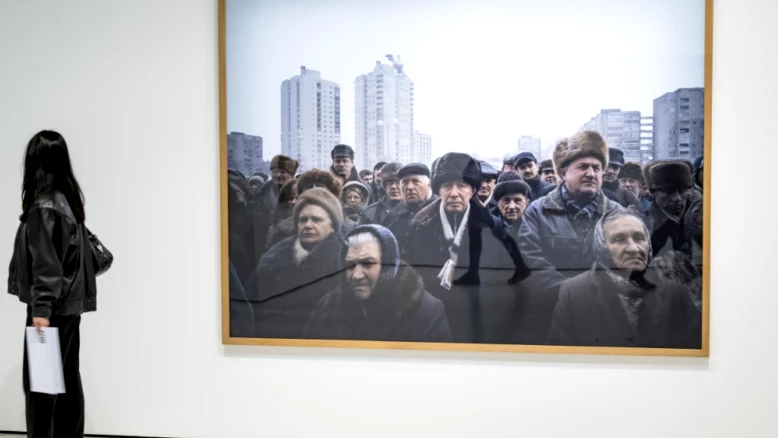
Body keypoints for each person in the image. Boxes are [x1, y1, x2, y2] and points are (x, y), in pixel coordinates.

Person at [8, 130, 110, 438]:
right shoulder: (67, 202)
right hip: (67, 309)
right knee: (66, 382)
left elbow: (46, 265)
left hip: (48, 311)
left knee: (41, 389)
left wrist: (40, 311)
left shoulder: (44, 208)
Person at [403, 153, 529, 343]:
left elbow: (512, 278)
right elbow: (411, 276)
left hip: (480, 321)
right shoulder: (420, 226)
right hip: (433, 321)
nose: (454, 193)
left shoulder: (492, 226)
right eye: (447, 186)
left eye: (462, 185)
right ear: (438, 191)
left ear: (473, 190)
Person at [518, 131, 622, 342]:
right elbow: (532, 262)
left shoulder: (618, 214)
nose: (591, 173)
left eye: (597, 168)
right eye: (583, 167)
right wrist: (573, 295)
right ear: (563, 173)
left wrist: (597, 297)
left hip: (604, 318)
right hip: (548, 315)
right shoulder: (537, 211)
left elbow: (626, 265)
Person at [547, 209, 701, 348]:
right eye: (619, 239)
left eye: (639, 237)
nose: (633, 248)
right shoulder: (575, 292)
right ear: (602, 247)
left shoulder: (674, 292)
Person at [304, 225, 452, 342]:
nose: (356, 275)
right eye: (350, 265)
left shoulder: (426, 311)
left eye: (368, 263)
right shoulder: (328, 306)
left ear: (388, 266)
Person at [244, 188, 345, 339]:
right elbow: (248, 304)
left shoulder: (342, 263)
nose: (308, 225)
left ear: (332, 227)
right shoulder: (272, 259)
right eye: (303, 220)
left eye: (317, 220)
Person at [268, 169, 345, 246]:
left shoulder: (345, 229)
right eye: (309, 187)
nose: (314, 190)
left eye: (320, 186)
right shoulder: (283, 231)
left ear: (331, 193)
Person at [643, 160, 702, 259]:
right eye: (668, 192)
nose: (677, 198)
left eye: (682, 191)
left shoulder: (705, 218)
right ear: (652, 192)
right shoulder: (644, 226)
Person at [381, 163, 436, 250]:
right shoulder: (393, 216)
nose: (410, 187)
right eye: (405, 182)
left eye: (415, 182)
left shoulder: (438, 212)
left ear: (429, 185)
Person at [265, 179, 298, 250]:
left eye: (298, 198)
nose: (293, 202)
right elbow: (268, 252)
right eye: (291, 198)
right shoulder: (273, 228)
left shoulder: (310, 226)